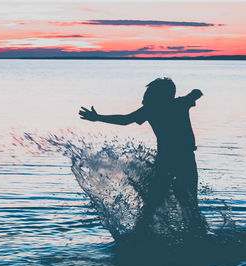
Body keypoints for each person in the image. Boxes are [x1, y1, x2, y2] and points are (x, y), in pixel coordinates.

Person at [79, 77, 206, 236]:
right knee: (186, 202)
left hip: (173, 161)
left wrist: (98, 118)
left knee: (158, 202)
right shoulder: (177, 104)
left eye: (149, 92)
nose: (146, 95)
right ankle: (197, 236)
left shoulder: (153, 108)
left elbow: (125, 120)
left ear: (156, 95)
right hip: (181, 160)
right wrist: (193, 95)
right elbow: (197, 93)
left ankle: (141, 234)